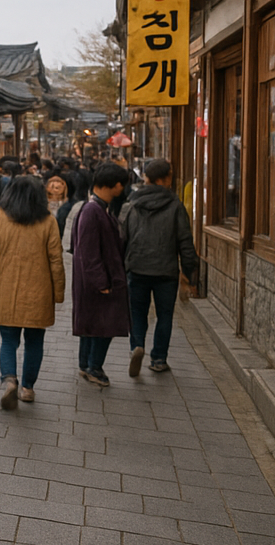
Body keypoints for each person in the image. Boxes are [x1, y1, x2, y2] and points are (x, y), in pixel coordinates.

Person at [0, 177, 65, 409]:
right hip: (39, 292)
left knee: (8, 340)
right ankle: (27, 388)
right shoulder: (48, 221)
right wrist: (58, 292)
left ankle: (9, 380)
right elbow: (56, 260)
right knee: (35, 341)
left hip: (5, 290)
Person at [122, 158, 199, 375]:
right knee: (164, 315)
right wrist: (189, 272)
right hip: (166, 270)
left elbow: (122, 237)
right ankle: (158, 359)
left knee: (137, 312)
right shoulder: (175, 205)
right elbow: (185, 241)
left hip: (136, 266)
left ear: (146, 178)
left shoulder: (133, 203)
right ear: (165, 178)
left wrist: (121, 267)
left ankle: (136, 345)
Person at [71, 163, 131, 386]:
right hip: (99, 282)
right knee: (103, 325)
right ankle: (93, 366)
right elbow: (88, 251)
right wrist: (101, 282)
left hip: (98, 280)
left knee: (92, 324)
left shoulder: (97, 208)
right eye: (121, 185)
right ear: (115, 185)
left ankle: (87, 364)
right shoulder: (92, 211)